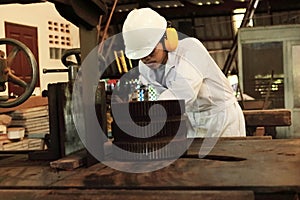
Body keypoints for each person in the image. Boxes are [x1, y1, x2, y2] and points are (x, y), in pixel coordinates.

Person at [122, 7, 246, 138]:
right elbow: (167, 101)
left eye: (150, 52)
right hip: (193, 122)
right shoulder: (145, 67)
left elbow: (182, 93)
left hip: (221, 119)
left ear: (166, 40)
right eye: (141, 56)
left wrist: (145, 113)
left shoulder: (190, 50)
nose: (146, 58)